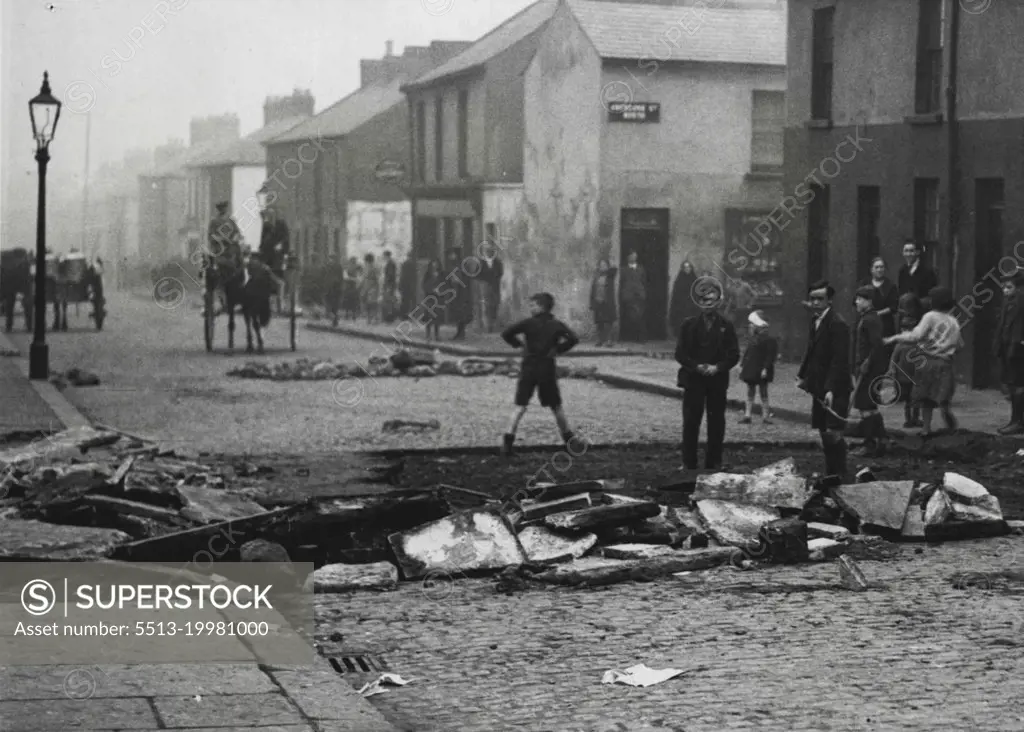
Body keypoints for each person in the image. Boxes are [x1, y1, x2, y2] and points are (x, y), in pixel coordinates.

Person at [500, 292, 580, 457]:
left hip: (529, 367)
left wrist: (519, 344)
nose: (531, 308)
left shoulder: (528, 323)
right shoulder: (556, 325)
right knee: (556, 406)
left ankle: (507, 442)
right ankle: (570, 441)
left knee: (520, 406)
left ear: (541, 306)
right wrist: (558, 349)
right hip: (547, 369)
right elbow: (573, 339)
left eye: (533, 305)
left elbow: (507, 333)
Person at [675, 276, 740, 470]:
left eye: (711, 301)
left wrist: (717, 367)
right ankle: (688, 463)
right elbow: (680, 353)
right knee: (691, 422)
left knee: (716, 423)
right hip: (694, 380)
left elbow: (734, 354)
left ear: (718, 302)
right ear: (699, 302)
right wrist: (696, 366)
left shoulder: (726, 326)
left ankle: (713, 463)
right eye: (704, 301)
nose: (707, 305)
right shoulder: (688, 325)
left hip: (716, 382)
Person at [884, 285, 962, 438]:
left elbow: (915, 336)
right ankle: (950, 425)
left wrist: (894, 338)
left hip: (927, 362)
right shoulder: (954, 321)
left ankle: (926, 429)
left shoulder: (930, 316)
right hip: (945, 363)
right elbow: (959, 345)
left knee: (926, 398)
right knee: (943, 397)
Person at [797, 280, 852, 479]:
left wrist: (830, 389)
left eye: (820, 299)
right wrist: (803, 376)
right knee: (823, 430)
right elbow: (811, 351)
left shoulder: (838, 324)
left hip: (836, 386)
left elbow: (839, 360)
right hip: (819, 385)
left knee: (834, 430)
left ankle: (841, 473)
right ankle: (831, 473)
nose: (816, 303)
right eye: (812, 299)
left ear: (829, 301)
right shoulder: (815, 321)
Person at [850, 285, 889, 456]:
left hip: (868, 370)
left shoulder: (870, 320)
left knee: (865, 406)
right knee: (870, 406)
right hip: (867, 368)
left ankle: (869, 444)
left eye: (860, 299)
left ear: (869, 301)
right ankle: (882, 440)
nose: (857, 302)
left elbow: (877, 344)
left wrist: (867, 362)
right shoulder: (868, 318)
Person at [993, 271, 1024, 434]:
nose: (1005, 291)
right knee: (1011, 383)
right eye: (1003, 287)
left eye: (1009, 287)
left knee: (1018, 384)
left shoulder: (1021, 303)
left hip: (1018, 348)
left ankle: (1019, 421)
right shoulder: (1008, 303)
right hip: (1007, 346)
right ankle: (1015, 419)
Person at [739, 310, 777, 425]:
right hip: (751, 369)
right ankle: (747, 415)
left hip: (761, 370)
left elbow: (770, 356)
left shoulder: (769, 340)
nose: (751, 326)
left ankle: (765, 416)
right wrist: (742, 364)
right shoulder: (753, 339)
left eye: (753, 324)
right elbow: (748, 353)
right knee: (750, 391)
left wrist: (765, 368)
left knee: (763, 392)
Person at [889, 311, 922, 428]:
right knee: (911, 399)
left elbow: (893, 360)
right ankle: (911, 419)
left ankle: (913, 419)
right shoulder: (905, 345)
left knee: (913, 399)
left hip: (911, 376)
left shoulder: (911, 345)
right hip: (908, 376)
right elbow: (893, 360)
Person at [865, 257, 898, 342]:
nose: (879, 270)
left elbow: (893, 307)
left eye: (882, 267)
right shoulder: (865, 284)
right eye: (876, 267)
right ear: (871, 269)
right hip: (867, 322)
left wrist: (877, 314)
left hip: (885, 324)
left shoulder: (890, 286)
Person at [897, 239, 938, 304]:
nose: (908, 254)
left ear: (918, 252)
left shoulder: (927, 271)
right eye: (906, 251)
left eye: (911, 251)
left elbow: (931, 295)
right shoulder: (902, 271)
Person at [589, 257, 618, 347]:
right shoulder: (596, 277)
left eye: (604, 265)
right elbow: (592, 291)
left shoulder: (610, 276)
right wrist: (592, 303)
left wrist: (608, 267)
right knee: (599, 322)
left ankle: (609, 341)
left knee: (608, 322)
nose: (602, 267)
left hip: (607, 301)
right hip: (598, 301)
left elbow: (614, 269)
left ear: (607, 266)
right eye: (601, 265)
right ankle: (600, 340)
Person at [619, 250, 647, 342]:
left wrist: (641, 291)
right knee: (630, 317)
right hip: (628, 296)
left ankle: (640, 338)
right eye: (631, 256)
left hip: (639, 296)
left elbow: (644, 281)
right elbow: (622, 283)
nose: (633, 258)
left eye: (635, 256)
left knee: (640, 316)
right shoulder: (623, 269)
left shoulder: (641, 268)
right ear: (628, 258)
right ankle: (629, 337)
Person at [446, 248, 472, 340]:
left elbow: (466, 279)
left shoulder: (462, 265)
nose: (450, 256)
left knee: (462, 313)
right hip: (455, 293)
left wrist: (458, 281)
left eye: (452, 254)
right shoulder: (453, 265)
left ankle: (461, 333)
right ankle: (459, 332)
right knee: (457, 313)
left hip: (462, 293)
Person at [668, 260, 698, 336]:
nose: (687, 269)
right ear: (682, 269)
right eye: (685, 267)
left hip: (692, 305)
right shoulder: (679, 280)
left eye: (689, 267)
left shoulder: (695, 279)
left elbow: (697, 291)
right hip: (681, 306)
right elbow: (676, 294)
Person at [479, 251, 504, 333]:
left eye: (490, 252)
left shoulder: (497, 262)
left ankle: (493, 323)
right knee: (487, 305)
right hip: (486, 286)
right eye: (487, 252)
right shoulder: (481, 262)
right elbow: (477, 274)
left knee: (495, 304)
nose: (489, 254)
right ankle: (488, 325)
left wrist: (495, 279)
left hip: (495, 286)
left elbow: (501, 273)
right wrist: (484, 281)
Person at [421, 258, 444, 341]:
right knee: (429, 317)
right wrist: (431, 290)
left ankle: (437, 335)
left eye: (436, 264)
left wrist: (440, 291)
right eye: (433, 264)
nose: (435, 266)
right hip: (429, 298)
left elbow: (444, 284)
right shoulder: (428, 274)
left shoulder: (441, 274)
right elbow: (424, 285)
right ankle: (428, 335)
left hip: (438, 299)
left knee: (437, 317)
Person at [361, 253, 380, 324]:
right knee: (369, 304)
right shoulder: (368, 267)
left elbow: (374, 279)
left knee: (372, 304)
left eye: (366, 261)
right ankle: (370, 319)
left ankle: (374, 319)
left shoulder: (372, 268)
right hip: (369, 287)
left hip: (372, 288)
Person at [399, 254, 418, 320]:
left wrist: (400, 286)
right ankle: (410, 315)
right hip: (409, 286)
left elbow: (401, 276)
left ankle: (404, 316)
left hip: (405, 285)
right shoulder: (413, 265)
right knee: (411, 301)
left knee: (405, 301)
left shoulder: (404, 264)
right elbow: (414, 276)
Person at [381, 251, 398, 323]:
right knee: (390, 302)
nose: (384, 258)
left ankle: (389, 319)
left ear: (387, 256)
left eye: (384, 256)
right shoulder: (391, 263)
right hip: (390, 285)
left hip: (389, 285)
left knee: (389, 302)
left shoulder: (390, 264)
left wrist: (387, 286)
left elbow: (390, 276)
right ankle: (390, 318)